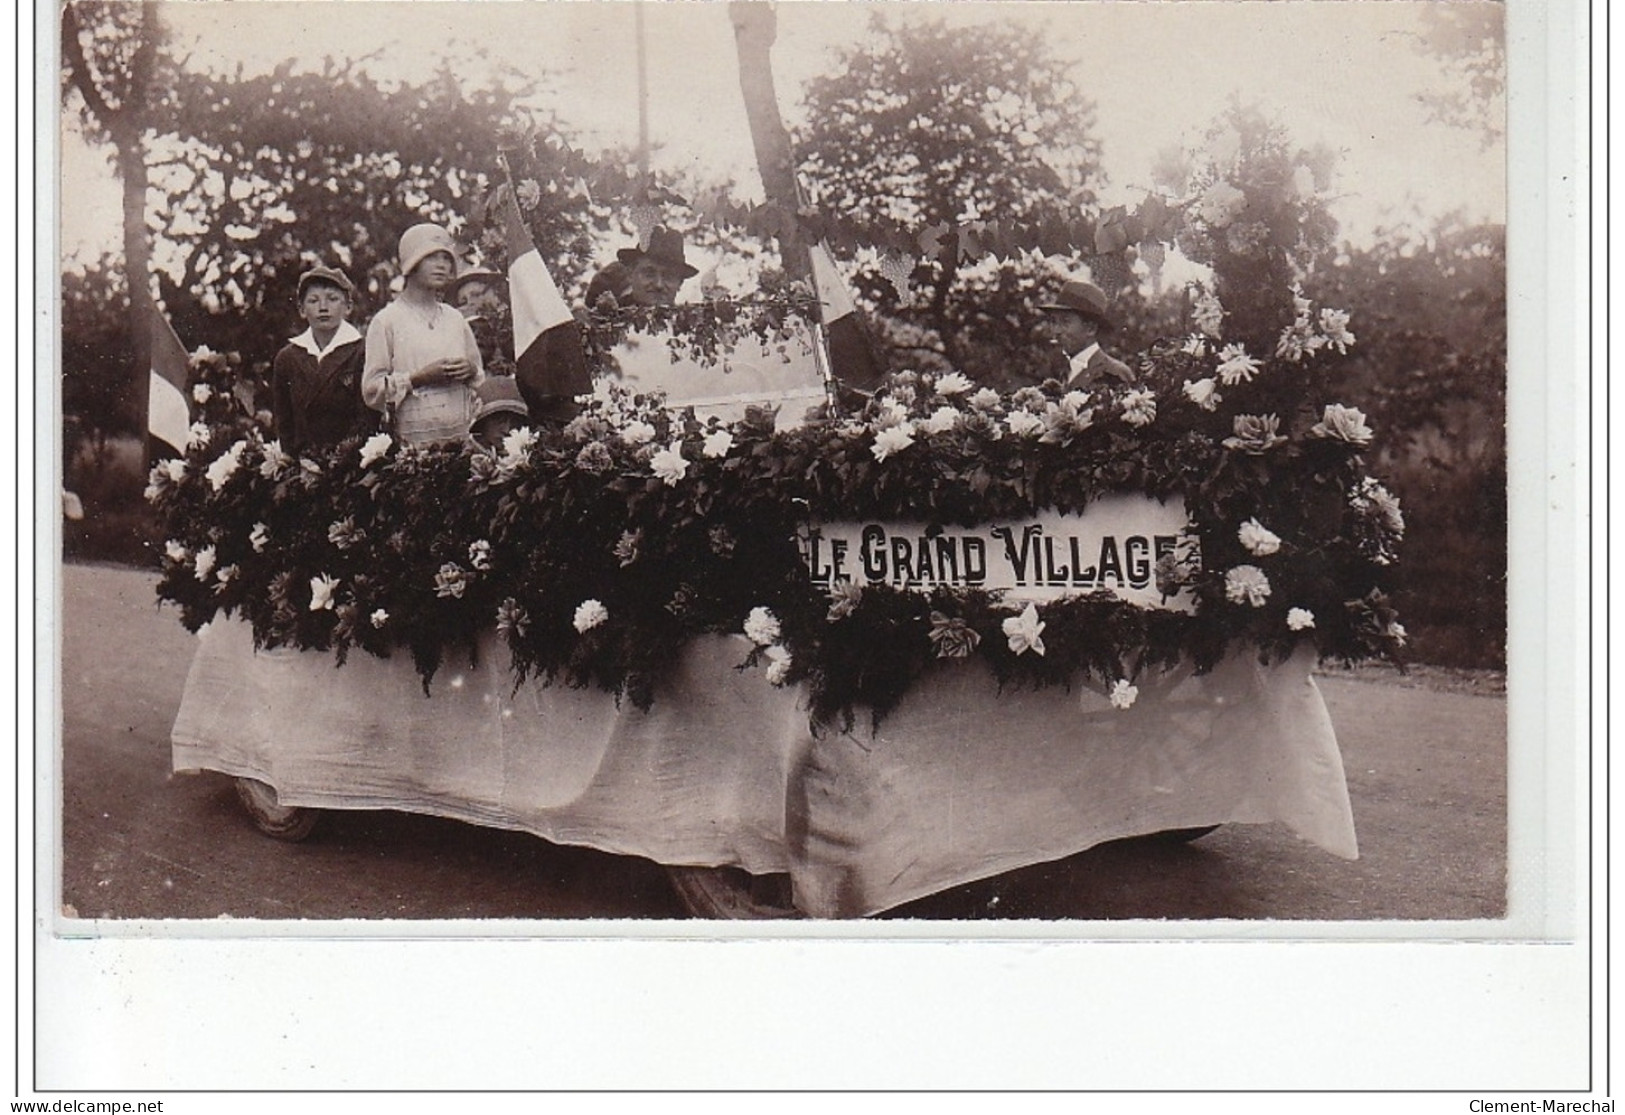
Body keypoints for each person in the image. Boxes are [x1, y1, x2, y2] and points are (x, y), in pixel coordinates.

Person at [362, 223, 485, 446]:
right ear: (412, 263)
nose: (442, 266)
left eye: (447, 258)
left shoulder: (455, 319)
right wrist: (418, 378)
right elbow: (372, 392)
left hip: (461, 445)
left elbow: (479, 379)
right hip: (413, 451)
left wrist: (471, 369)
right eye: (432, 257)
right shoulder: (387, 321)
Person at [270, 265, 375, 456]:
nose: (323, 307)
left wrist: (340, 460)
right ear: (302, 310)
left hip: (351, 465)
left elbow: (367, 419)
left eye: (333, 299)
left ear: (348, 307)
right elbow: (284, 424)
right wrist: (297, 461)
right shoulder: (287, 358)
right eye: (313, 300)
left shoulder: (363, 352)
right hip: (302, 468)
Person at [1036, 279, 1135, 388]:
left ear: (1090, 329)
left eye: (1065, 322)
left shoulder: (1115, 373)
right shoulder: (1064, 371)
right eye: (1054, 321)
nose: (1056, 330)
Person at [591, 226, 698, 309]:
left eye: (669, 276)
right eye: (649, 274)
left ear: (680, 283)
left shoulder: (687, 329)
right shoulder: (607, 323)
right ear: (630, 274)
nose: (658, 284)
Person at [467, 376, 530, 452]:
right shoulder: (462, 459)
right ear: (483, 423)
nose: (507, 430)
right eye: (499, 420)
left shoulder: (533, 457)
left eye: (515, 421)